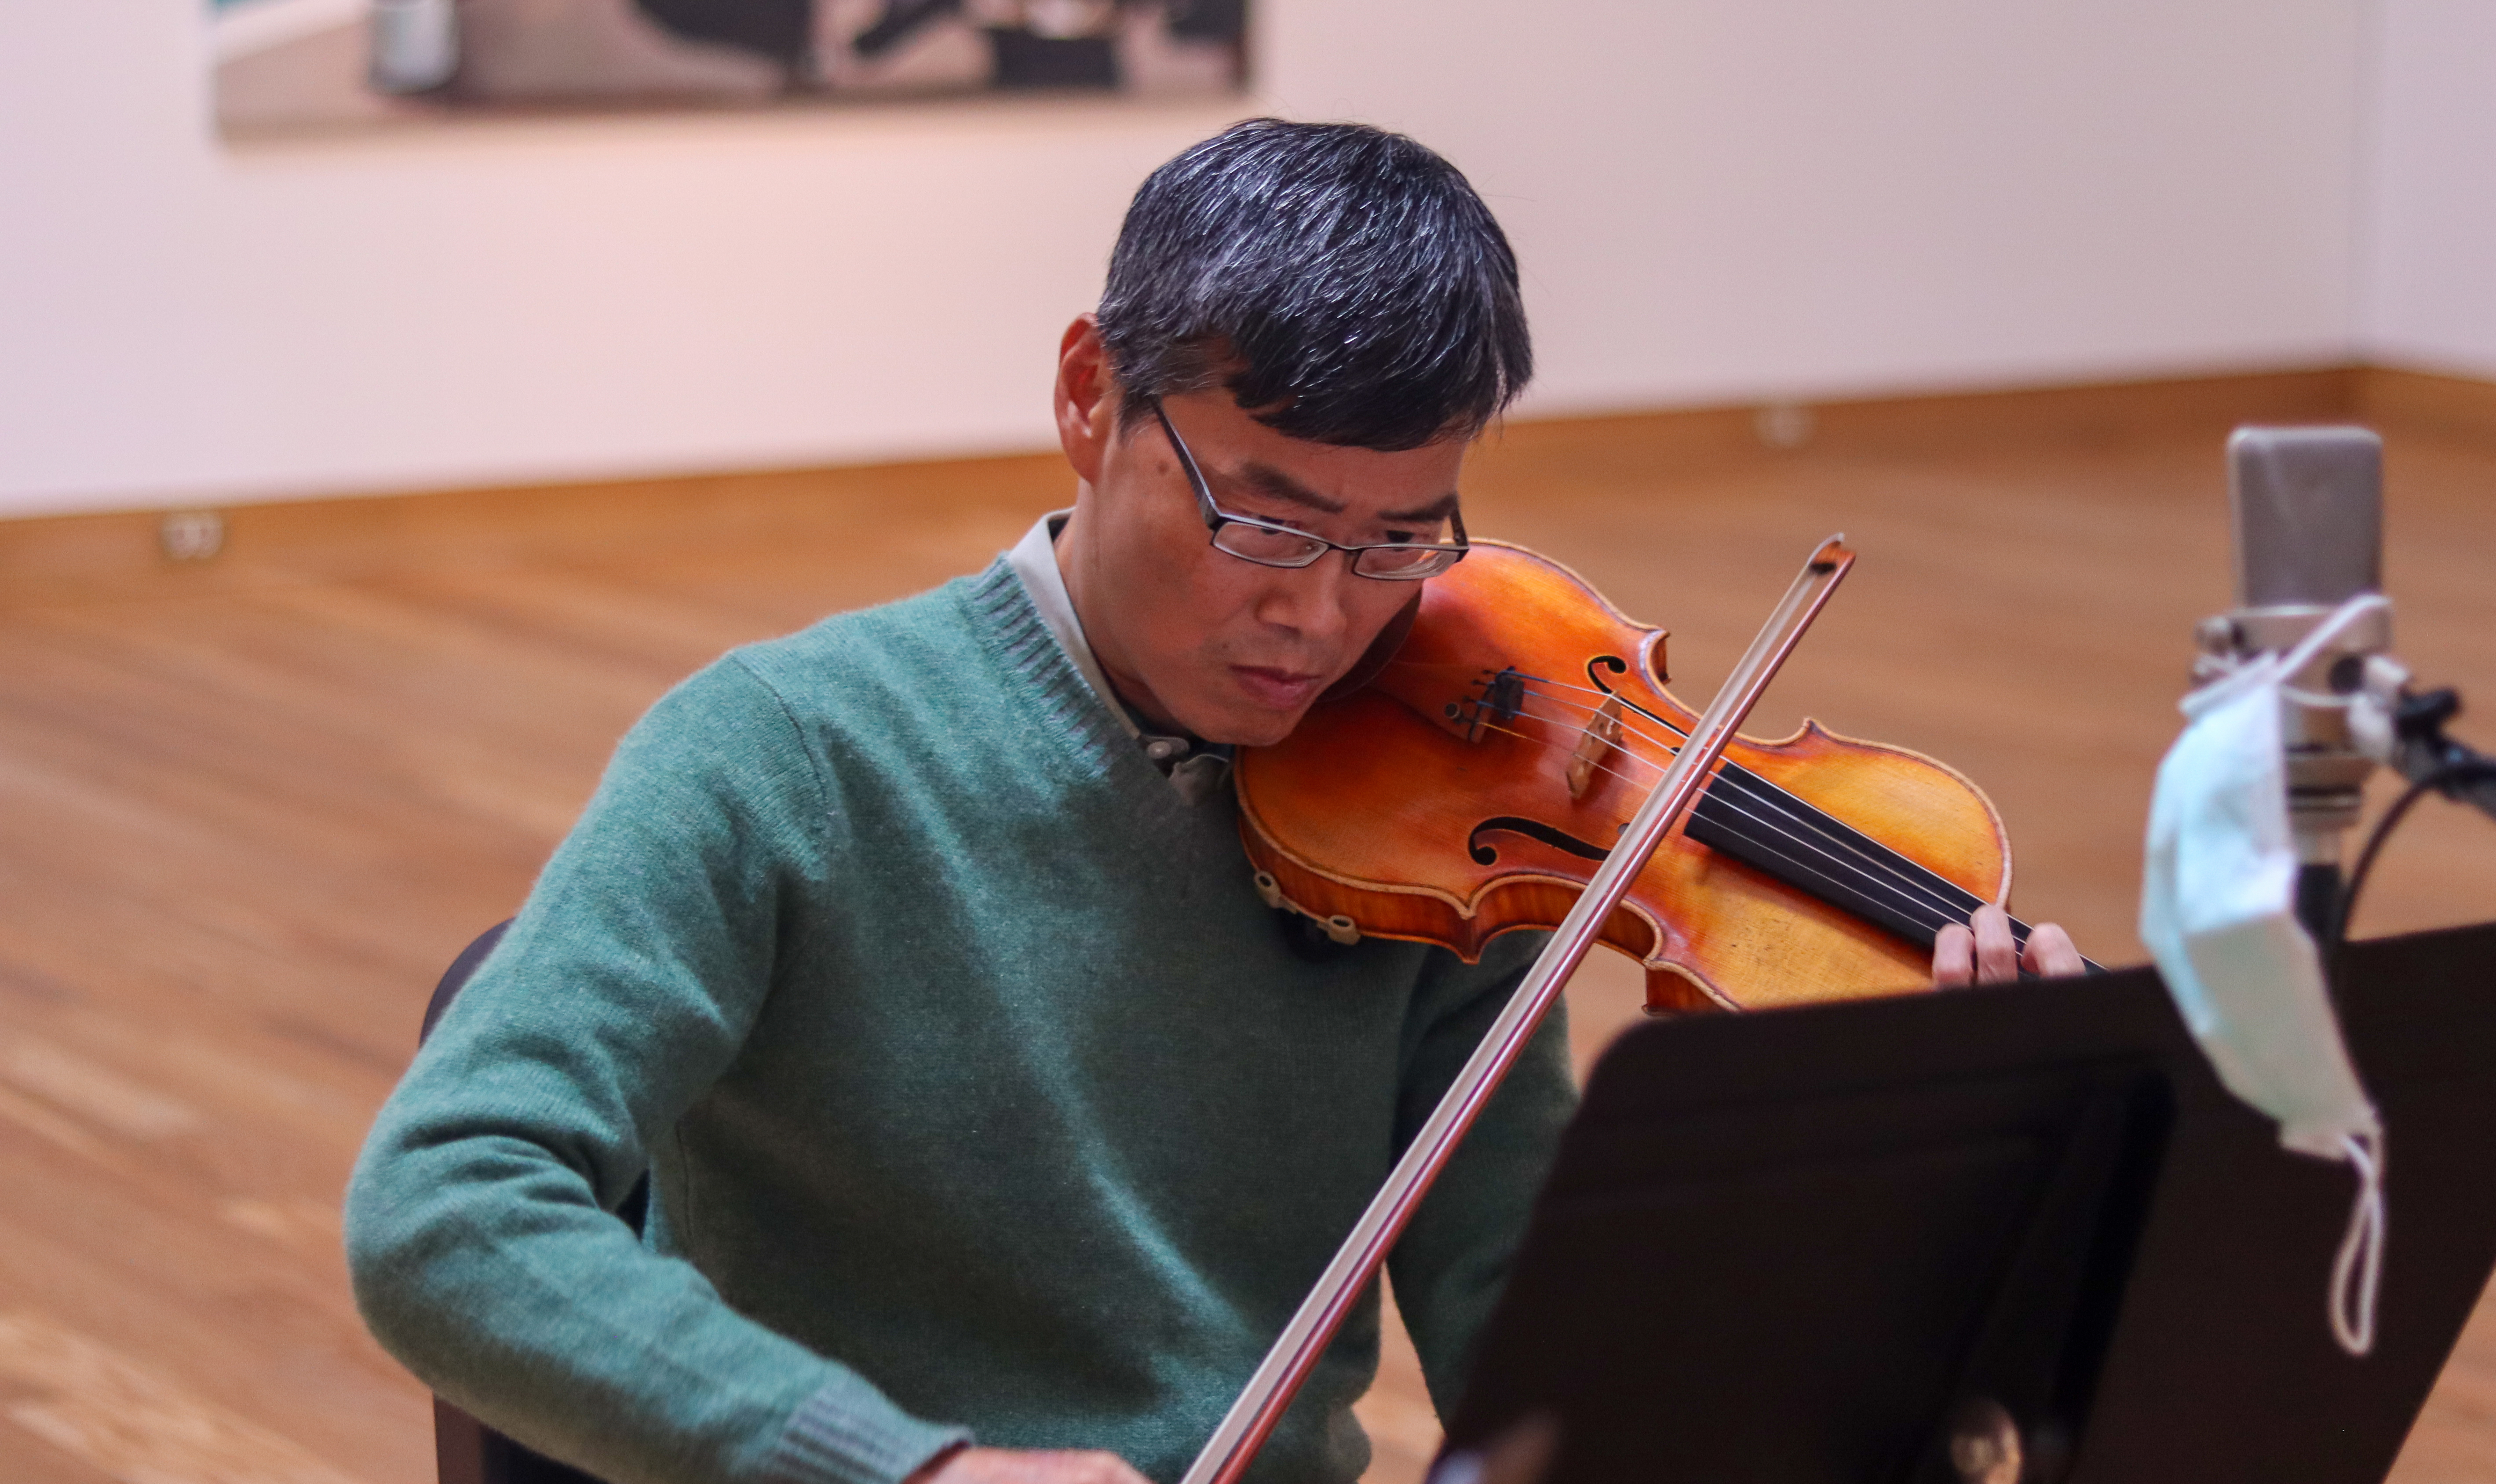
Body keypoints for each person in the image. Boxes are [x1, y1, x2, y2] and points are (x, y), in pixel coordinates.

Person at [346, 118, 2080, 1484]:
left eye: (1401, 537)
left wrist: (1920, 1189)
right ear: (1093, 398)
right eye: (1263, 515)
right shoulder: (781, 753)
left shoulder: (1438, 832)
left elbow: (1527, 1355)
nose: (1320, 616)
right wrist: (908, 1468)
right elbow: (446, 1206)